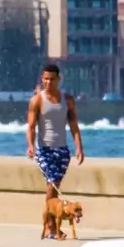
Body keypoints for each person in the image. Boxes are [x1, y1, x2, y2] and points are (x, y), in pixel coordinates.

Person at [24, 64, 84, 198]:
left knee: (55, 187)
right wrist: (30, 145)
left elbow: (74, 125)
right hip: (44, 150)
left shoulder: (68, 100)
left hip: (62, 150)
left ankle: (51, 217)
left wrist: (79, 148)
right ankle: (48, 218)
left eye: (51, 79)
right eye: (45, 79)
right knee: (52, 184)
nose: (48, 82)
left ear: (59, 79)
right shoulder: (37, 100)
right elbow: (31, 127)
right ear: (42, 79)